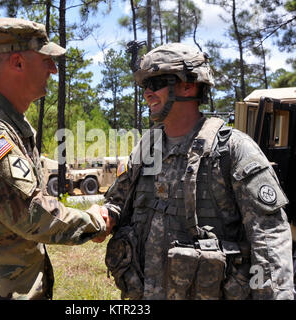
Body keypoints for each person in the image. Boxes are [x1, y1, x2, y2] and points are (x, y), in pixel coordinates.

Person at [103, 43, 294, 300]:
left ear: (188, 85)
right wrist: (102, 217)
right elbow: (117, 203)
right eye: (143, 86)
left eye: (156, 82)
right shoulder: (146, 147)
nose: (147, 93)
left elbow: (269, 240)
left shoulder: (233, 150)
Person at [0, 17, 111, 300]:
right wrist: (95, 222)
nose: (53, 69)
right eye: (46, 61)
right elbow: (33, 214)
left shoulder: (11, 127)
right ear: (18, 63)